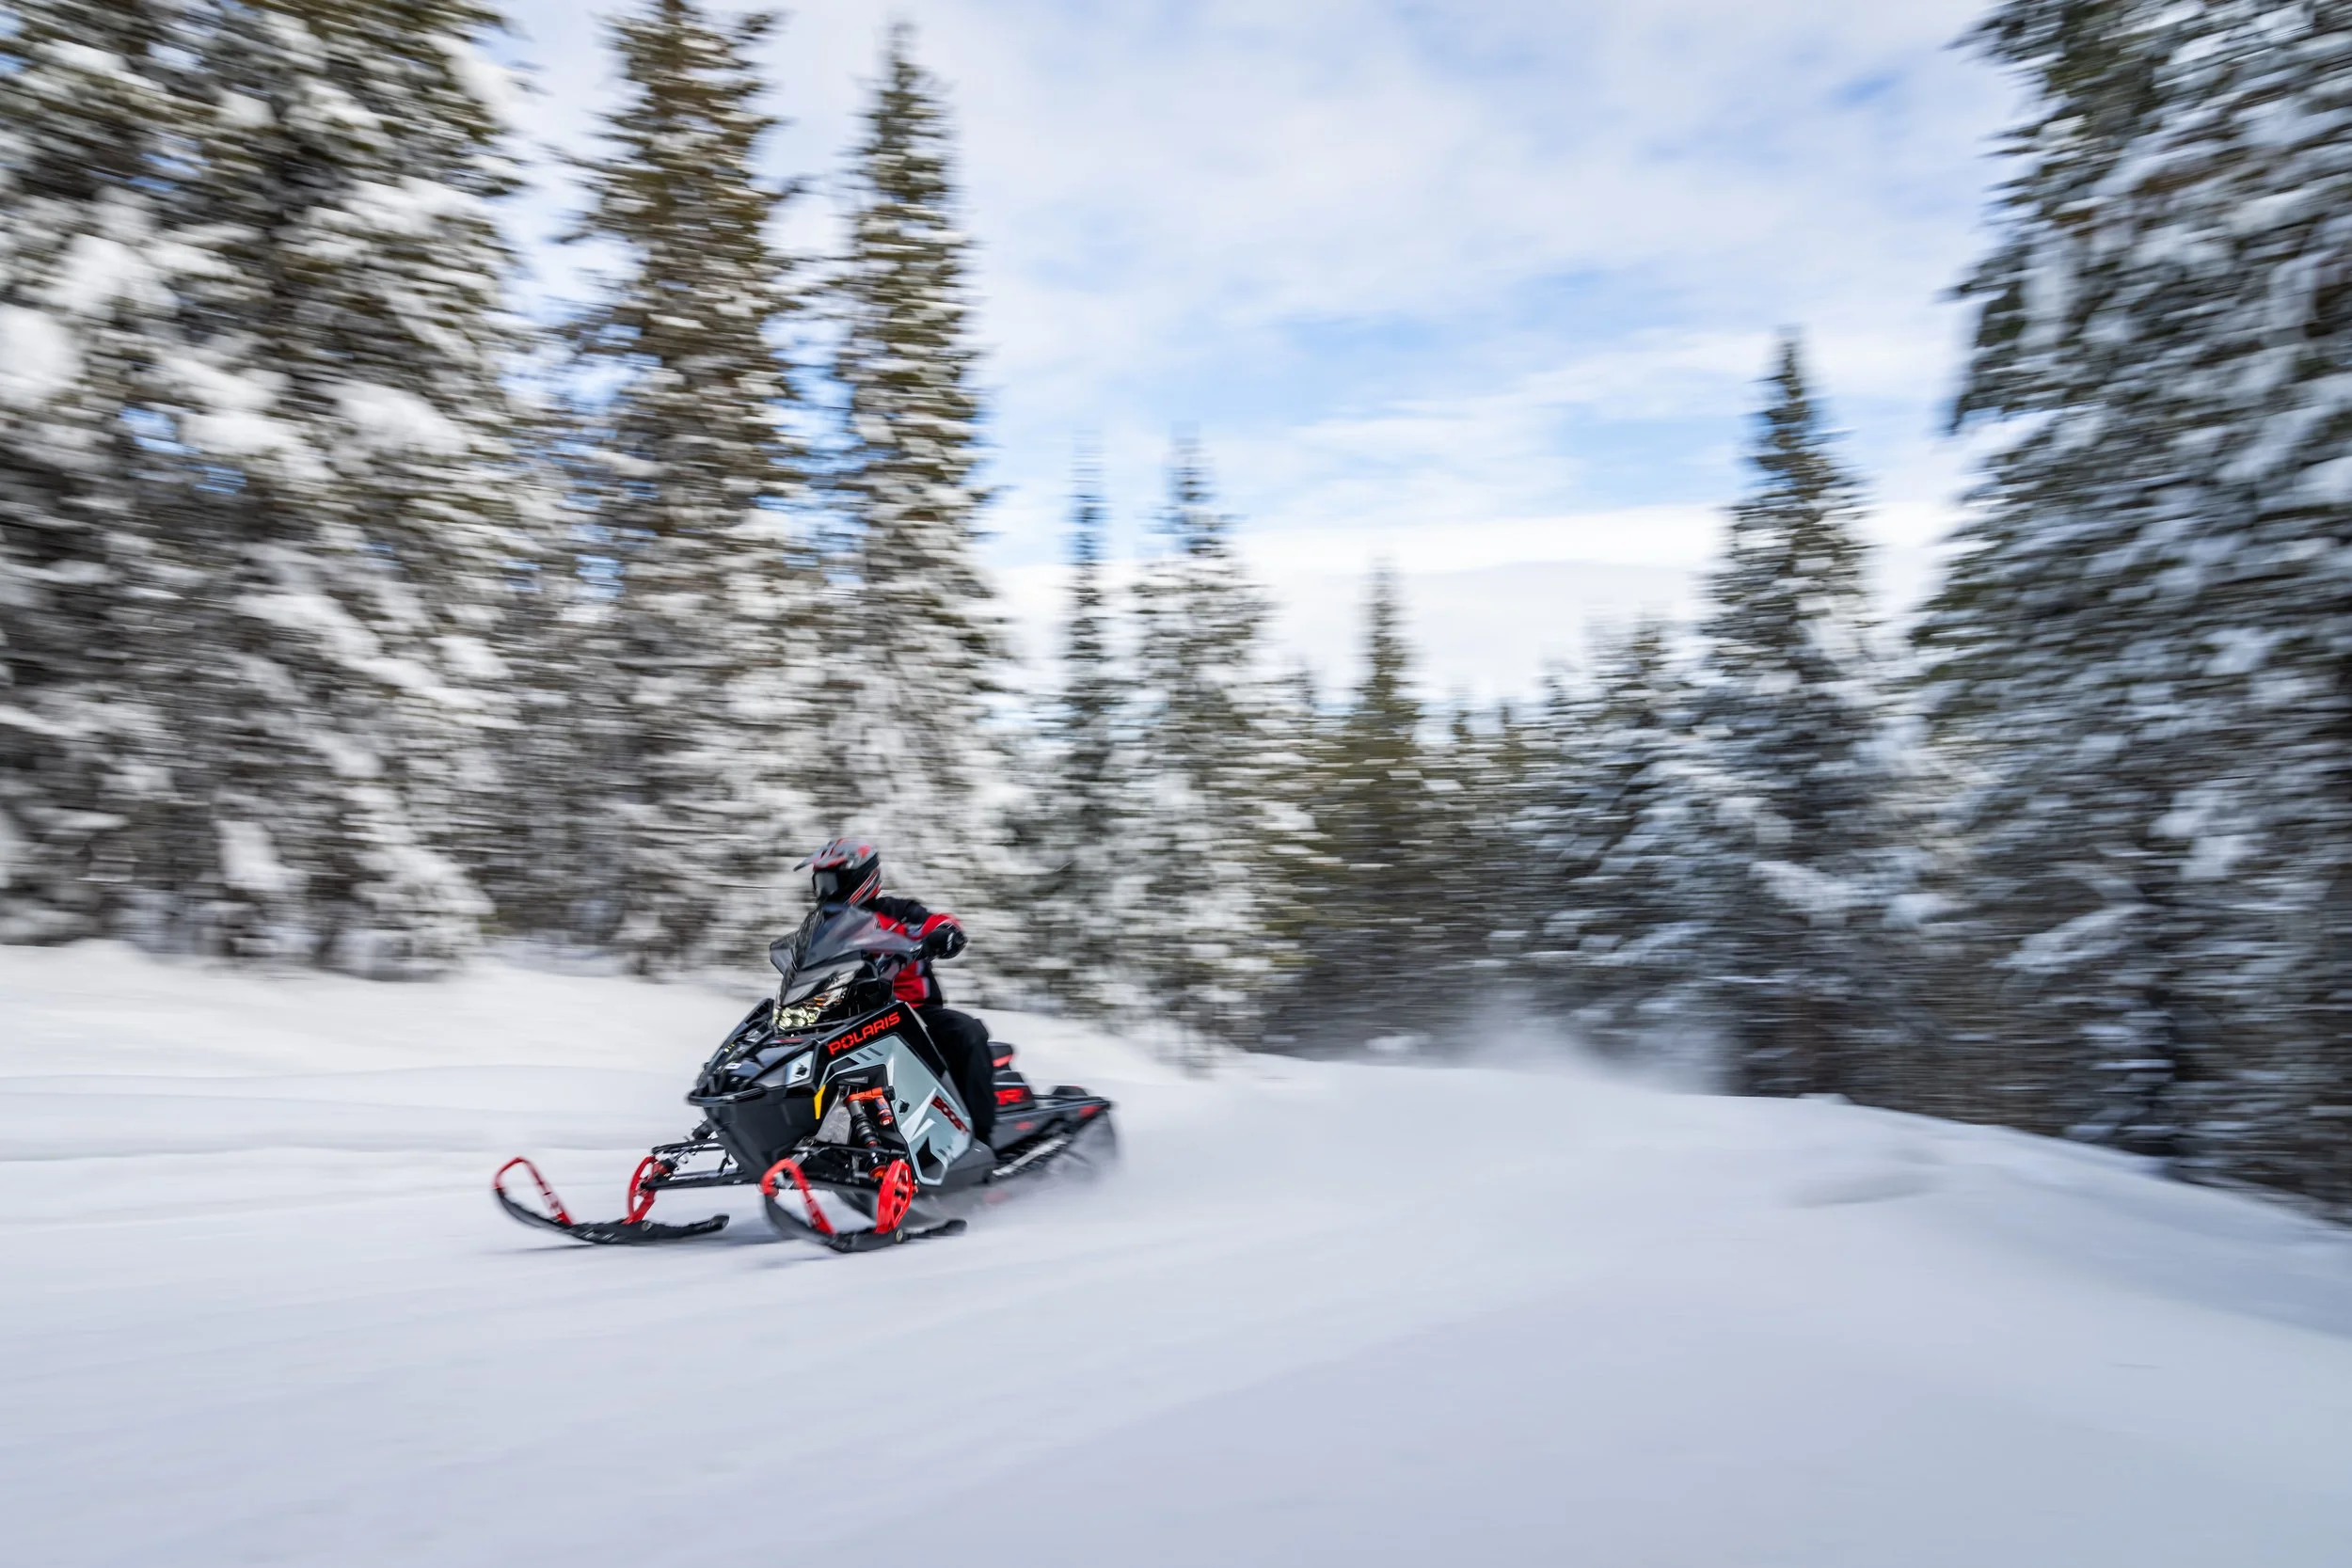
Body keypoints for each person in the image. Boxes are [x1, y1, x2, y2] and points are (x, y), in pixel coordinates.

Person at [800, 838, 999, 1149]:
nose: (824, 891)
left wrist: (945, 934)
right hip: (850, 1014)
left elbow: (938, 922)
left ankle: (983, 1142)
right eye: (820, 882)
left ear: (859, 878)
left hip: (912, 1012)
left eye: (831, 881)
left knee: (966, 1032)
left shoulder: (898, 912)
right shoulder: (822, 929)